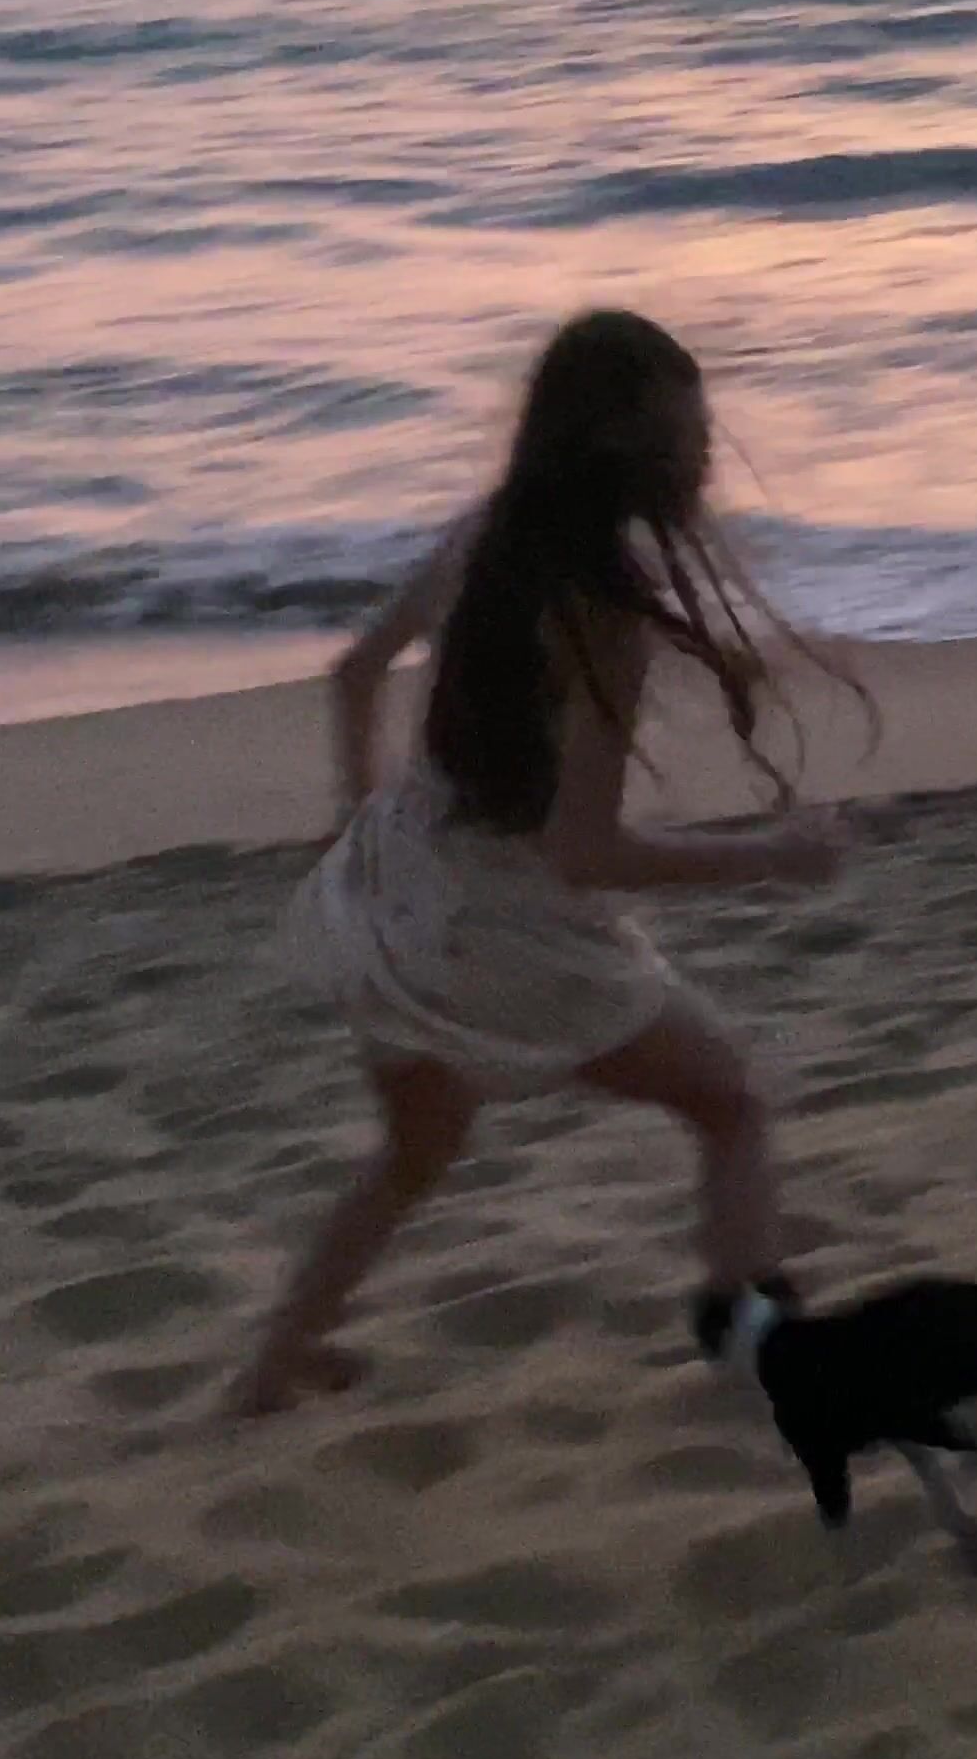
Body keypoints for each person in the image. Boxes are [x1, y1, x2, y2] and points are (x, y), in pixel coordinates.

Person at [234, 309, 869, 1417]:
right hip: (503, 922)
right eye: (690, 437)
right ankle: (761, 1353)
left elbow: (355, 673)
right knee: (731, 1105)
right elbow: (585, 851)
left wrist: (356, 825)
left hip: (395, 877)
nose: (705, 460)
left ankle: (273, 1366)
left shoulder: (486, 534)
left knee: (415, 1150)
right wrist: (774, 856)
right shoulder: (602, 615)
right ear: (624, 448)